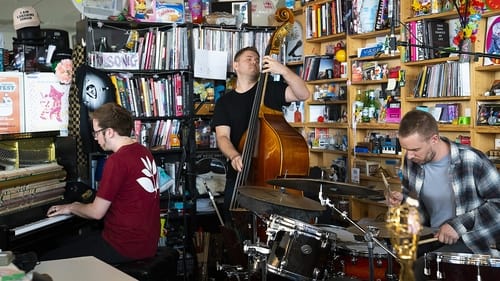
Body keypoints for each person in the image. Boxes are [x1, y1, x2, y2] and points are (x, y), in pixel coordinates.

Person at [386, 109, 500, 281]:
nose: (409, 155)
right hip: (432, 235)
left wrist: (458, 225)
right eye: (405, 149)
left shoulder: (472, 160)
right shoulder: (412, 161)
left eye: (415, 149)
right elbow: (416, 202)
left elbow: (498, 204)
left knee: (422, 270)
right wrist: (403, 201)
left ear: (434, 139)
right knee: (392, 258)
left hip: (472, 240)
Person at [42, 102, 160, 264]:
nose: (96, 138)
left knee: (47, 260)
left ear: (109, 132)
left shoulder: (117, 161)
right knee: (68, 243)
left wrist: (71, 207)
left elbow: (96, 212)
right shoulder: (143, 151)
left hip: (124, 246)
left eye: (97, 133)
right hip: (146, 243)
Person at [212, 46, 310, 222]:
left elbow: (303, 93)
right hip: (239, 177)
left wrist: (283, 70)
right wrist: (234, 156)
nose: (254, 62)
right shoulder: (225, 102)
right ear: (235, 65)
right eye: (249, 59)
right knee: (234, 227)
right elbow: (222, 137)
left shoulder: (270, 90)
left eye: (257, 60)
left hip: (270, 181)